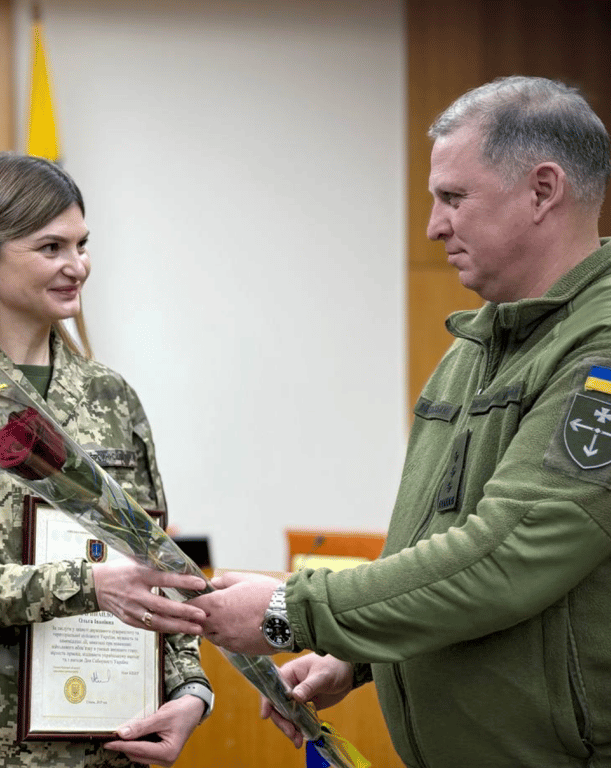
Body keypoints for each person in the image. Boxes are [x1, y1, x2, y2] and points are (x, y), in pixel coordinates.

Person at [189, 75, 611, 768]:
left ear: (542, 190)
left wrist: (293, 609)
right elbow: (435, 550)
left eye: (453, 197)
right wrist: (354, 658)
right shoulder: (471, 350)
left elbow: (507, 557)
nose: (433, 226)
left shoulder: (599, 349)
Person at [0, 151, 213, 768]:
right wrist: (83, 587)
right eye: (50, 247)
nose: (76, 266)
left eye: (82, 245)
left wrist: (190, 688)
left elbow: (159, 567)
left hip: (97, 746)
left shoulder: (112, 398)